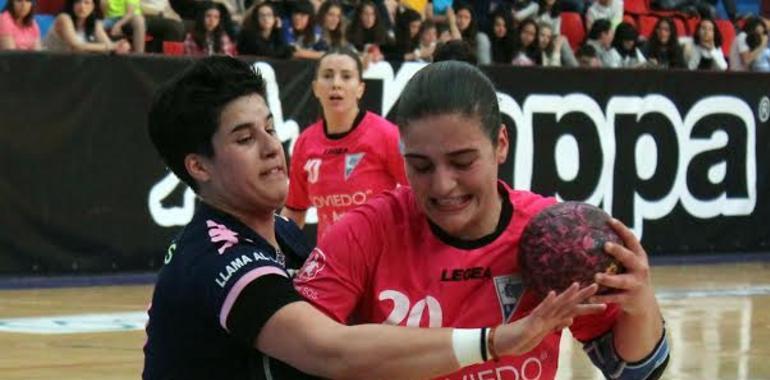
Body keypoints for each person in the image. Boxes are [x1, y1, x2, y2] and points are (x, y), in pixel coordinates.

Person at [143, 55, 605, 380]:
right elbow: (329, 351)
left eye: (268, 127)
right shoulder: (215, 256)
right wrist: (495, 342)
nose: (270, 146)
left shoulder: (284, 234)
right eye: (244, 138)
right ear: (198, 166)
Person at [294, 61, 671, 380]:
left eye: (462, 162)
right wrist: (489, 341)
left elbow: (636, 370)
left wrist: (640, 302)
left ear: (501, 144)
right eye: (421, 166)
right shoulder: (366, 232)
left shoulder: (553, 238)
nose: (442, 185)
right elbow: (300, 349)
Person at [282, 47, 407, 239]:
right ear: (316, 88)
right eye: (328, 75)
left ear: (360, 89)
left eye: (346, 76)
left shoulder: (387, 135)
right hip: (330, 260)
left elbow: (421, 195)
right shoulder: (305, 142)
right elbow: (294, 211)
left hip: (380, 259)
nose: (336, 84)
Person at [43, 0, 131, 53]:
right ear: (72, 4)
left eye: (87, 2)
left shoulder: (96, 24)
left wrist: (121, 46)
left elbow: (109, 47)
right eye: (78, 1)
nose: (82, 6)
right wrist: (111, 46)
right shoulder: (63, 18)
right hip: (50, 65)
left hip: (74, 69)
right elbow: (76, 46)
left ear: (93, 6)